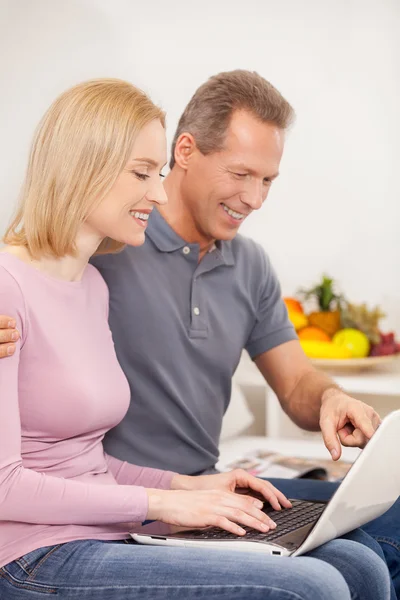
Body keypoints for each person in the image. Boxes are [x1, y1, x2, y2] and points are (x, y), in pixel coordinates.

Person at [0, 77, 392, 600]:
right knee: (317, 585)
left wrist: (189, 487)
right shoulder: (66, 267)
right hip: (48, 542)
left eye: (268, 180)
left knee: (360, 567)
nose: (255, 198)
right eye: (143, 172)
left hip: (136, 502)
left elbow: (85, 459)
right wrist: (164, 503)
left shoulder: (94, 281)